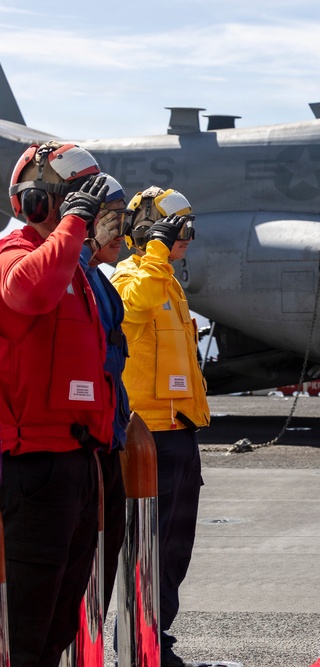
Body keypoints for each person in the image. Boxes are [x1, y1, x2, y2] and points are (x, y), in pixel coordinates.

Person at [1, 141, 114, 667]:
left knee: (61, 616)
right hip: (32, 467)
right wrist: (71, 226)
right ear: (34, 203)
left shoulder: (74, 271)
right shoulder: (15, 255)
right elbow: (29, 295)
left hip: (75, 460)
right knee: (27, 620)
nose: (84, 217)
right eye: (70, 203)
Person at [111, 185, 210, 667]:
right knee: (148, 547)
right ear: (152, 233)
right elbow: (131, 309)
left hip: (177, 431)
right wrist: (154, 250)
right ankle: (139, 639)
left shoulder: (167, 281)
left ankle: (153, 634)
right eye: (178, 229)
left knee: (174, 548)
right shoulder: (133, 275)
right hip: (148, 435)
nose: (186, 237)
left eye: (188, 228)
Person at [78, 173, 132, 615]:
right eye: (113, 220)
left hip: (109, 442)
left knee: (98, 581)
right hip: (79, 449)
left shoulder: (102, 282)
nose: (124, 232)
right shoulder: (70, 274)